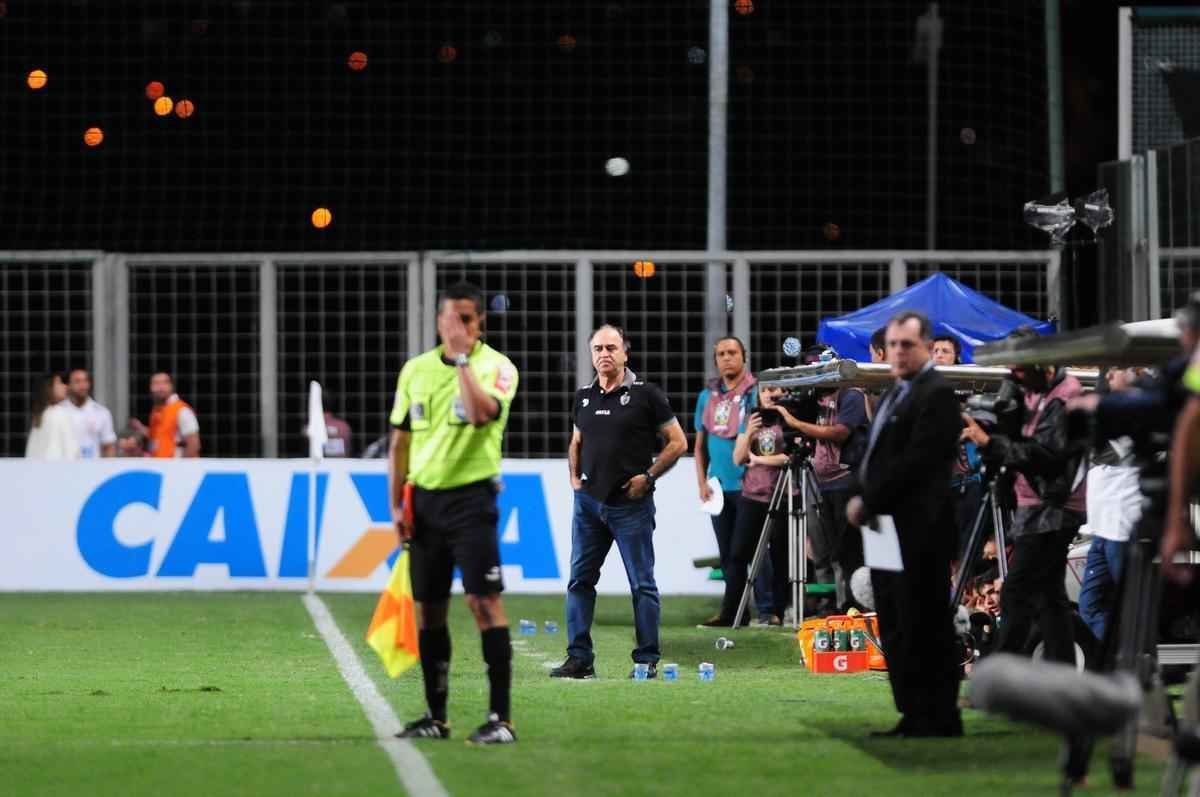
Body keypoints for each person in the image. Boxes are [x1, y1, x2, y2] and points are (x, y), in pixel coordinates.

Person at [388, 281, 520, 745]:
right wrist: (397, 505)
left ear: (480, 322)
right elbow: (401, 441)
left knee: (483, 602)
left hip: (471, 500)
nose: (456, 326)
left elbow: (484, 414)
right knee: (429, 611)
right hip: (424, 502)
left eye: (466, 318)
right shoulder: (415, 371)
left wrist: (463, 359)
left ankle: (501, 719)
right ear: (438, 319)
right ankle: (435, 716)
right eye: (450, 317)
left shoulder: (497, 367)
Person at [847, 310, 963, 737]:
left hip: (919, 530)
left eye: (907, 345)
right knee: (895, 617)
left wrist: (869, 499)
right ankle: (913, 712)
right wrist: (863, 493)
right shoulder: (898, 392)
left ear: (928, 348)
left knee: (923, 620)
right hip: (885, 527)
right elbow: (877, 454)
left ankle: (939, 715)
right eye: (893, 344)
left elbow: (917, 462)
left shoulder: (935, 394)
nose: (898, 351)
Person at [552, 325, 688, 680]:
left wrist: (650, 477)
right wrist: (573, 479)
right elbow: (576, 441)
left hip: (631, 505)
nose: (604, 354)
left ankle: (646, 660)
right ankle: (579, 658)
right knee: (579, 582)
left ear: (625, 352)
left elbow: (678, 442)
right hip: (589, 505)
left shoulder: (647, 395)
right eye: (597, 348)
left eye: (611, 347)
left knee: (642, 584)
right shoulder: (583, 396)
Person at [961, 327, 1087, 669]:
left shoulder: (1065, 395)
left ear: (1041, 363)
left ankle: (998, 677)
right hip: (1033, 505)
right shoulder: (1026, 387)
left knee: (1016, 592)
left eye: (1018, 368)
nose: (1013, 374)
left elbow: (1046, 456)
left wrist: (990, 443)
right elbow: (1015, 436)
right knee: (1050, 598)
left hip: (1055, 508)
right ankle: (1061, 673)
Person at [771, 356, 871, 613]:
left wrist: (797, 423)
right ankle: (837, 605)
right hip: (822, 483)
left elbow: (840, 432)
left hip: (847, 481)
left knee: (850, 552)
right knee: (830, 552)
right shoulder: (813, 399)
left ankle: (855, 606)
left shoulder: (851, 394)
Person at [693, 336, 776, 626]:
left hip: (750, 484)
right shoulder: (707, 396)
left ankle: (767, 609)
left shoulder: (755, 393)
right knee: (727, 553)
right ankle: (736, 612)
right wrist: (702, 481)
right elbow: (699, 444)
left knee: (754, 551)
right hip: (718, 487)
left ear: (744, 357)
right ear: (716, 360)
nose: (727, 358)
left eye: (732, 352)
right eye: (721, 354)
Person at [726, 384, 801, 624]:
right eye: (765, 389)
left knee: (780, 556)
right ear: (758, 394)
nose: (770, 394)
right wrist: (749, 432)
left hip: (782, 494)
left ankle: (776, 612)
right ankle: (733, 611)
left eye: (776, 389)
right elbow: (738, 458)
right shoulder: (751, 418)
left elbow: (791, 456)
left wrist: (758, 458)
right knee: (738, 554)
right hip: (752, 496)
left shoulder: (789, 418)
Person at [1076, 367, 1142, 643]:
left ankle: (1136, 663)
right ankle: (1116, 660)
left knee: (1131, 605)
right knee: (1089, 605)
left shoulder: (1140, 412)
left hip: (1123, 528)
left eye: (1119, 369)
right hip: (1101, 529)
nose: (1111, 374)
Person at [130, 372, 200, 458]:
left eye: (164, 383)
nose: (160, 387)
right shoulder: (157, 410)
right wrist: (141, 428)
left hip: (175, 466)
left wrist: (183, 467)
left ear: (171, 386)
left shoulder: (182, 410)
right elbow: (161, 436)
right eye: (156, 383)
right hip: (160, 464)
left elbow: (194, 444)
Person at [60, 368, 116, 458]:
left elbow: (108, 446)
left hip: (93, 468)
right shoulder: (59, 411)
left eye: (85, 381)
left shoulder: (101, 412)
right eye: (77, 381)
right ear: (68, 385)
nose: (83, 385)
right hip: (63, 467)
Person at [25, 372, 80, 460]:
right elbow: (72, 451)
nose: (65, 386)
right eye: (59, 383)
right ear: (48, 388)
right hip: (59, 470)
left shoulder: (40, 415)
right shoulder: (60, 413)